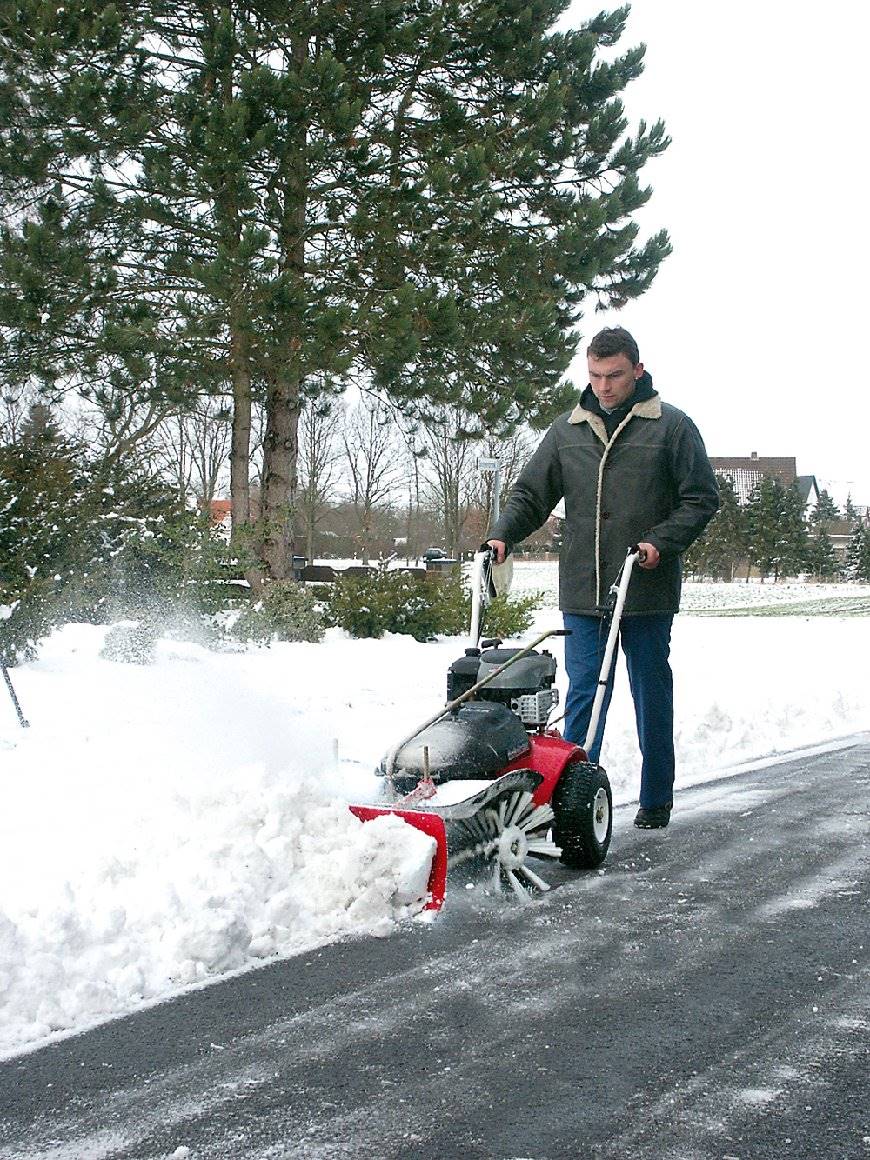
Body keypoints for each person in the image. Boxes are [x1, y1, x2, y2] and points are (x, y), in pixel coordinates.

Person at [486, 327, 719, 828]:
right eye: (594, 375)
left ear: (637, 369)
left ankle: (656, 798)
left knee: (649, 693)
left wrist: (661, 541)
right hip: (583, 589)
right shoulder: (567, 430)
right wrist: (503, 534)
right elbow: (531, 494)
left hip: (645, 590)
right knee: (583, 694)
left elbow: (701, 498)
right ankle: (571, 802)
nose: (604, 386)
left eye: (614, 375)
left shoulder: (671, 428)